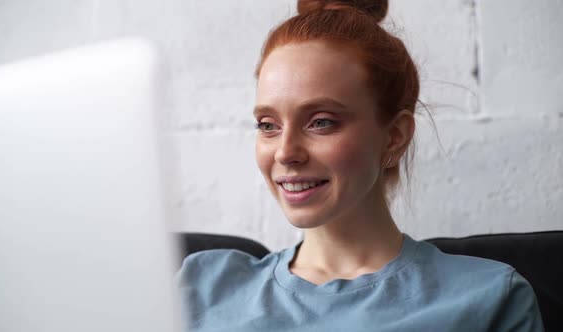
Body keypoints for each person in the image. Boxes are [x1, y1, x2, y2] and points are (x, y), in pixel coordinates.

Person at [177, 1, 544, 331]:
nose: (285, 152)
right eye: (268, 125)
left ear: (395, 136)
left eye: (321, 121)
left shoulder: (489, 298)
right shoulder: (201, 284)